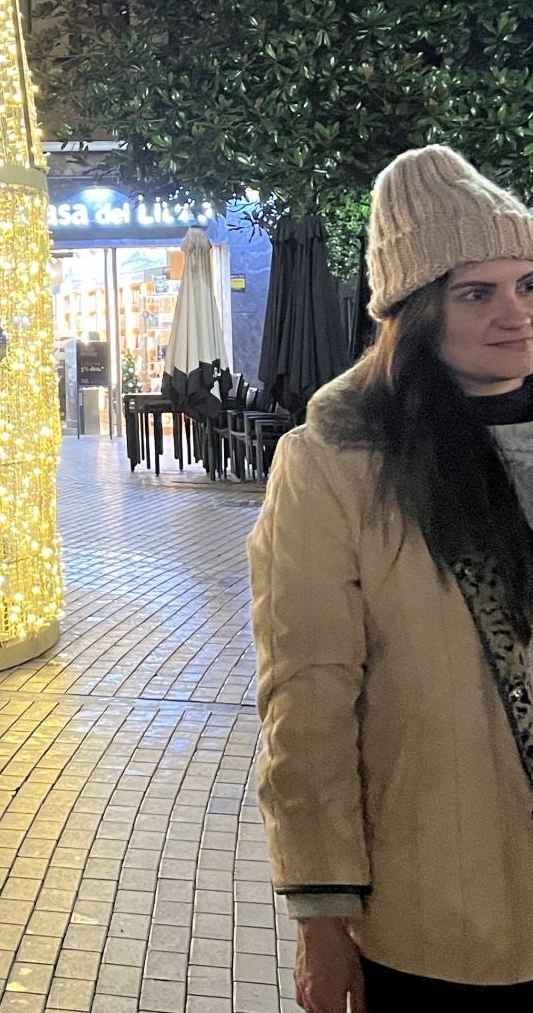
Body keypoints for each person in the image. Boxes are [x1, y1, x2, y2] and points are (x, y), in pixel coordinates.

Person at [250, 145, 533, 1011]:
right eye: (474, 291)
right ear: (414, 310)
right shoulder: (337, 463)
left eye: (528, 284)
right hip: (444, 920)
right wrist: (322, 917)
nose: (515, 313)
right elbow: (309, 697)